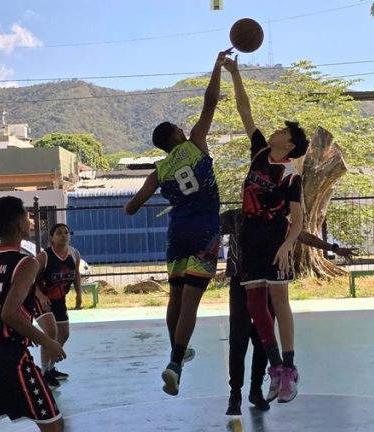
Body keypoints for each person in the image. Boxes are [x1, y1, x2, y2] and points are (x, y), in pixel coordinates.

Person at [124, 48, 232, 396]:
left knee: (175, 297)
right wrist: (217, 66)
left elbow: (132, 207)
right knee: (190, 303)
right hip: (205, 232)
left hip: (177, 233)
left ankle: (177, 352)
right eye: (179, 128)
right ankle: (174, 363)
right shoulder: (196, 143)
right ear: (177, 136)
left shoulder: (159, 169)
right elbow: (210, 101)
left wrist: (162, 192)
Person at [224, 55, 310, 404]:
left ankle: (289, 369)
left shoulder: (290, 175)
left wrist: (288, 245)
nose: (276, 131)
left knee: (279, 301)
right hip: (249, 237)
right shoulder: (260, 152)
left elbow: (298, 218)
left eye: (283, 132)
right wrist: (235, 73)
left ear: (289, 145)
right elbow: (244, 110)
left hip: (275, 238)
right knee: (255, 305)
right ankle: (275, 367)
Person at [221, 209, 357, 415]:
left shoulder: (275, 220)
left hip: (266, 283)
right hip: (241, 282)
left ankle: (255, 390)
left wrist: (334, 248)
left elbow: (302, 235)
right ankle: (235, 395)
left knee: (262, 340)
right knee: (238, 340)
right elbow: (208, 229)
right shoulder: (234, 217)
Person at [0, 196, 66, 431]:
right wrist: (48, 342)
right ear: (21, 225)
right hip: (9, 355)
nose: (30, 221)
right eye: (28, 217)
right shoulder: (26, 262)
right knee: (54, 424)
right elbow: (10, 314)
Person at [34, 223, 82, 389]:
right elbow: (31, 279)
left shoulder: (74, 253)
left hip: (59, 299)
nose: (64, 235)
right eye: (59, 233)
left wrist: (79, 294)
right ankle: (44, 373)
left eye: (66, 232)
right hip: (40, 298)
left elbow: (76, 275)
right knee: (50, 333)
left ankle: (51, 367)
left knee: (64, 334)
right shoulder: (44, 256)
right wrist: (40, 296)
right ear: (51, 238)